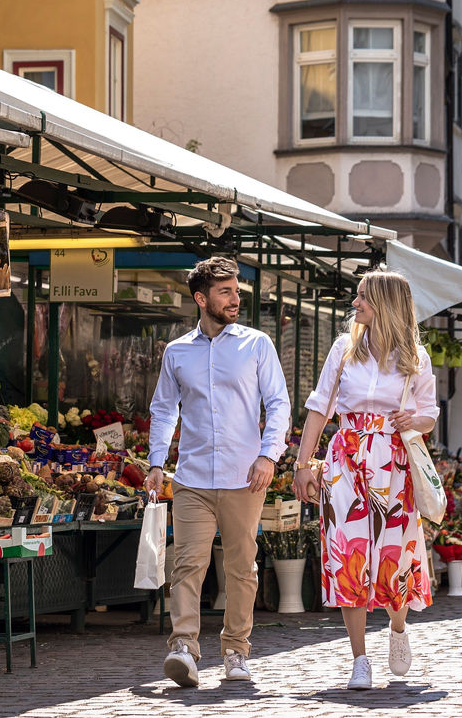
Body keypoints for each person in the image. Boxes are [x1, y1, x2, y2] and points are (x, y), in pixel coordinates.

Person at [145, 256, 290, 687]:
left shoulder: (257, 345)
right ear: (201, 298)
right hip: (191, 477)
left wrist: (269, 456)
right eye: (225, 291)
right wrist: (156, 462)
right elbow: (163, 409)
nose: (235, 298)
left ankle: (236, 651)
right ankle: (184, 647)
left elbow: (278, 403)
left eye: (236, 290)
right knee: (187, 565)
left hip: (245, 477)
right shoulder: (177, 352)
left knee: (242, 568)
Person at [294, 269, 437, 691]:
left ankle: (396, 626)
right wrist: (304, 464)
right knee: (347, 553)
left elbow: (429, 414)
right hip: (345, 461)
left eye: (363, 298)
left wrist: (415, 418)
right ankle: (359, 659)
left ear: (386, 305)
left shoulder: (415, 356)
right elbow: (320, 407)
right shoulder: (344, 348)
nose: (355, 304)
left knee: (395, 557)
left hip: (393, 464)